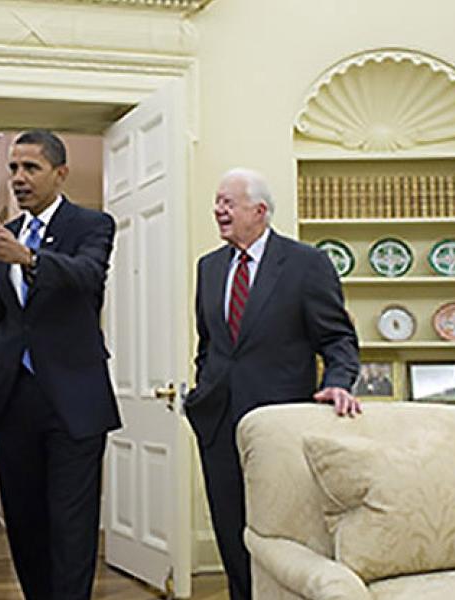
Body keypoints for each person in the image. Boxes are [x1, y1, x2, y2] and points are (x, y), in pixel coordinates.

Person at [185, 168, 361, 600]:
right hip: (219, 422)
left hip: (280, 422)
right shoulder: (209, 268)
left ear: (259, 211)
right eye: (217, 201)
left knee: (281, 533)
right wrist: (201, 390)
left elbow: (338, 337)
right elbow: (208, 344)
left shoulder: (306, 264)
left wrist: (339, 382)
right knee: (230, 531)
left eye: (228, 202)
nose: (217, 210)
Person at [0, 130, 120, 600]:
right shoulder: (5, 234)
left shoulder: (92, 225)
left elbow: (87, 275)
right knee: (26, 526)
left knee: (71, 531)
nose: (18, 178)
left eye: (30, 168)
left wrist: (29, 259)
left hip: (74, 403)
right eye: (13, 168)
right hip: (13, 402)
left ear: (60, 173)